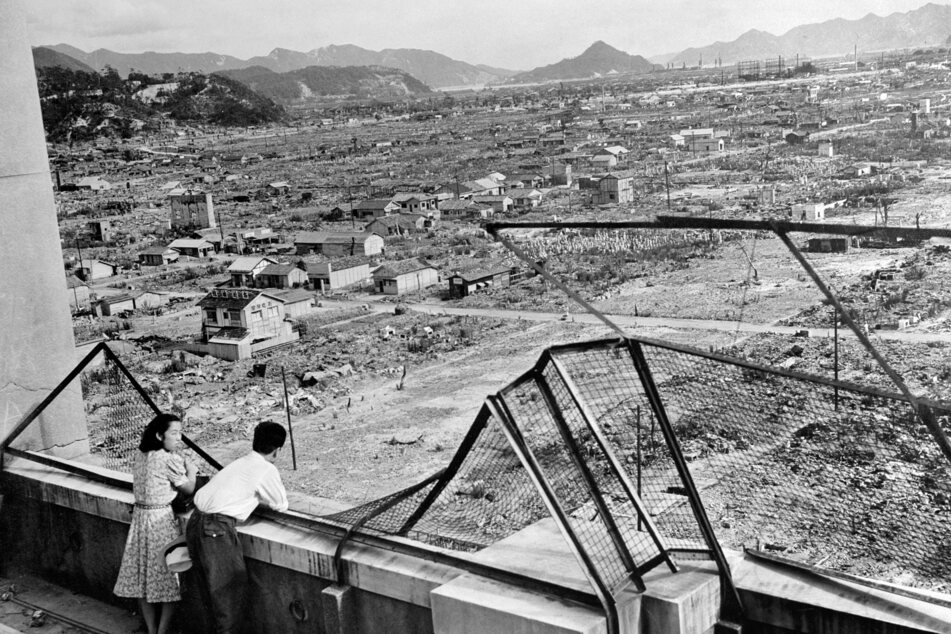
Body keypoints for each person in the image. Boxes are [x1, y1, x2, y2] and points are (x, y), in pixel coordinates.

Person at [185, 421, 289, 634]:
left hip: (195, 521)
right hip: (215, 529)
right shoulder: (266, 469)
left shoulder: (240, 462)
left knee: (204, 594)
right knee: (228, 595)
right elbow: (281, 505)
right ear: (277, 450)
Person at [114, 413, 197, 634]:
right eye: (174, 433)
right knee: (169, 576)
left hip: (140, 519)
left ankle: (151, 630)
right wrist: (192, 472)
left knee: (143, 578)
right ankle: (162, 631)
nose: (179, 438)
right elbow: (188, 489)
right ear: (160, 435)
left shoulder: (141, 455)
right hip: (160, 521)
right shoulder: (169, 458)